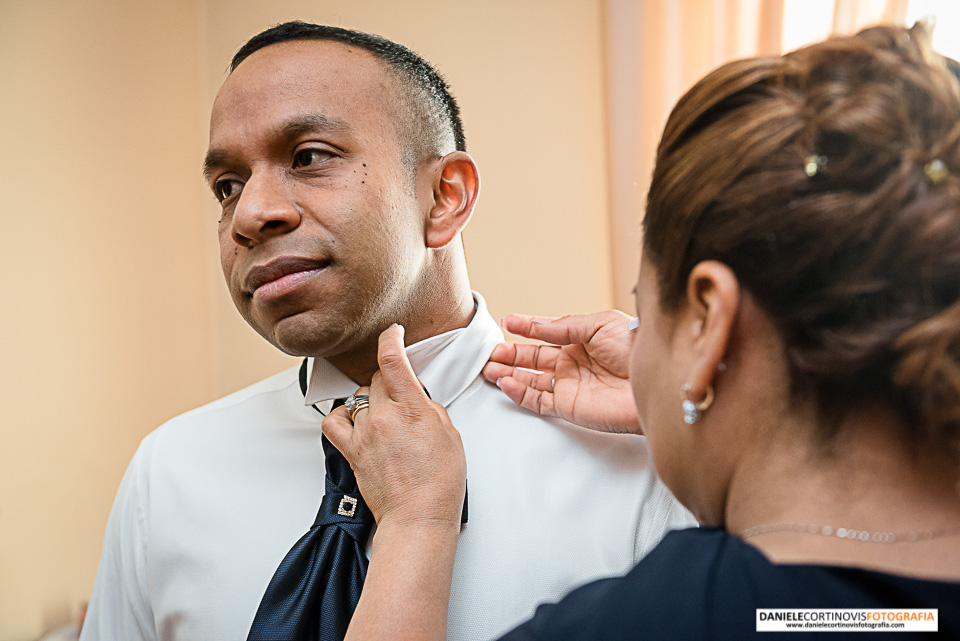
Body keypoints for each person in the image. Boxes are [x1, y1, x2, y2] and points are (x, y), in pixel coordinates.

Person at [322, 23, 960, 639]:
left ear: (709, 319)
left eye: (645, 310)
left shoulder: (658, 622)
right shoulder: (886, 609)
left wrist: (414, 524)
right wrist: (690, 401)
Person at [79, 21, 693, 641]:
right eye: (226, 187)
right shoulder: (169, 472)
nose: (251, 214)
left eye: (308, 157)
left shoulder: (644, 452)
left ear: (444, 196)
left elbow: (792, 619)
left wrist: (692, 404)